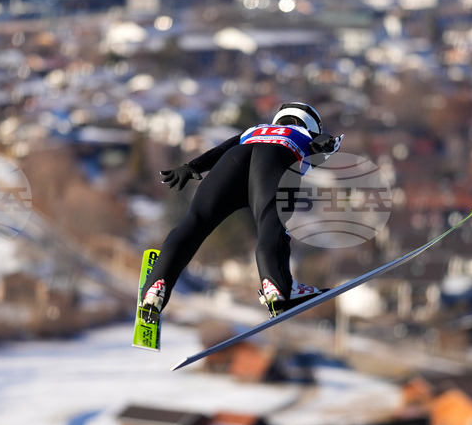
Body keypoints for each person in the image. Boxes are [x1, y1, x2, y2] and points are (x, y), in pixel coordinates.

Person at [140, 102, 342, 319]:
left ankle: (156, 286)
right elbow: (321, 143)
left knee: (194, 222)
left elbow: (220, 150)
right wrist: (328, 144)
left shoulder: (255, 129)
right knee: (271, 226)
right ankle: (278, 288)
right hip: (273, 160)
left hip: (234, 159)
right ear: (310, 123)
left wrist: (193, 166)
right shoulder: (304, 133)